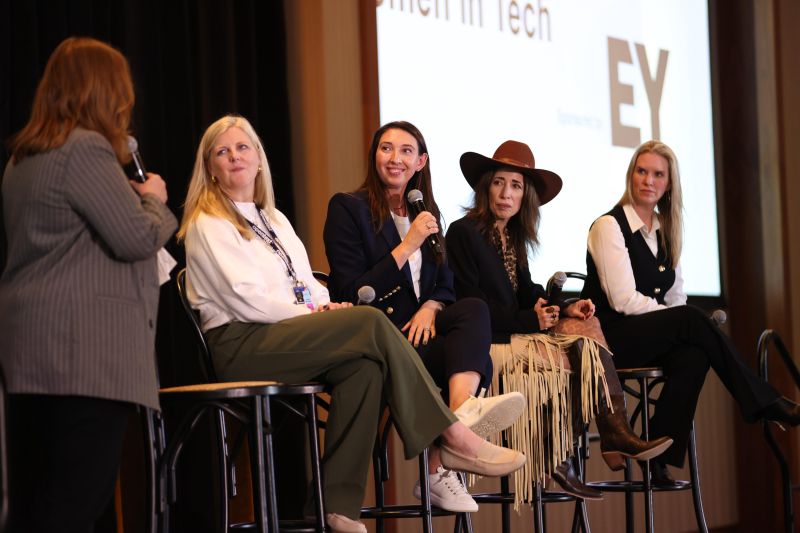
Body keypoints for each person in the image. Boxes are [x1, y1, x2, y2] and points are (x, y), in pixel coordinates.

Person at [178, 115, 526, 533]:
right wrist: (318, 314)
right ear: (210, 168)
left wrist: (326, 307)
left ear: (258, 162)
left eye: (243, 148)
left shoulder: (274, 219)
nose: (234, 156)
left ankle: (334, 504)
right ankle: (452, 436)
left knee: (365, 369)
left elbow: (306, 282)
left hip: (285, 334)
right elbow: (246, 299)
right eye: (222, 151)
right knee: (369, 321)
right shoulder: (207, 222)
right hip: (240, 344)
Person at [0, 37, 177, 532]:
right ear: (105, 91)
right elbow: (138, 237)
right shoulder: (86, 148)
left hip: (30, 354)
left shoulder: (22, 158)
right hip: (84, 356)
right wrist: (155, 199)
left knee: (39, 499)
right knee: (77, 501)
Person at [445, 140, 672, 506]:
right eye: (499, 182)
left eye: (516, 186)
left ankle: (591, 443)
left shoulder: (512, 237)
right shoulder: (463, 232)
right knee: (579, 346)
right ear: (485, 186)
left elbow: (528, 294)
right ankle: (597, 440)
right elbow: (471, 304)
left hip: (515, 330)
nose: (506, 193)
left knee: (583, 330)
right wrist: (530, 318)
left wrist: (564, 308)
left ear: (526, 197)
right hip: (485, 340)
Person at [323, 121, 524, 512]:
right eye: (386, 149)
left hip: (419, 336)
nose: (395, 158)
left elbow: (445, 283)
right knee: (475, 358)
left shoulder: (426, 213)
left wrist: (432, 307)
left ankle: (461, 412)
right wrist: (406, 245)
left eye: (405, 151)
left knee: (472, 310)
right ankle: (441, 462)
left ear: (421, 161)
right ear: (374, 155)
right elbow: (350, 292)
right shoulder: (348, 208)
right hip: (379, 338)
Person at [582, 139, 800, 485]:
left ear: (669, 184)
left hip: (649, 335)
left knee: (695, 355)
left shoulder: (666, 232)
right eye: (641, 171)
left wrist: (678, 322)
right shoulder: (608, 227)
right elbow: (623, 301)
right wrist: (677, 321)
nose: (648, 180)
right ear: (630, 175)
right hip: (612, 340)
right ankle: (762, 400)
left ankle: (659, 462)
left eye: (657, 174)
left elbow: (677, 296)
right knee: (690, 320)